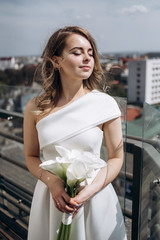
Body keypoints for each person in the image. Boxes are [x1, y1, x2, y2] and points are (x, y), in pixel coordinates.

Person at [23, 26, 127, 240]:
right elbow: (31, 157)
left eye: (90, 52)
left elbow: (116, 158)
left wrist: (89, 192)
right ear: (56, 60)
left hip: (95, 199)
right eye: (77, 52)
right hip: (52, 199)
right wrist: (52, 182)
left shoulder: (105, 104)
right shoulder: (35, 107)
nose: (87, 58)